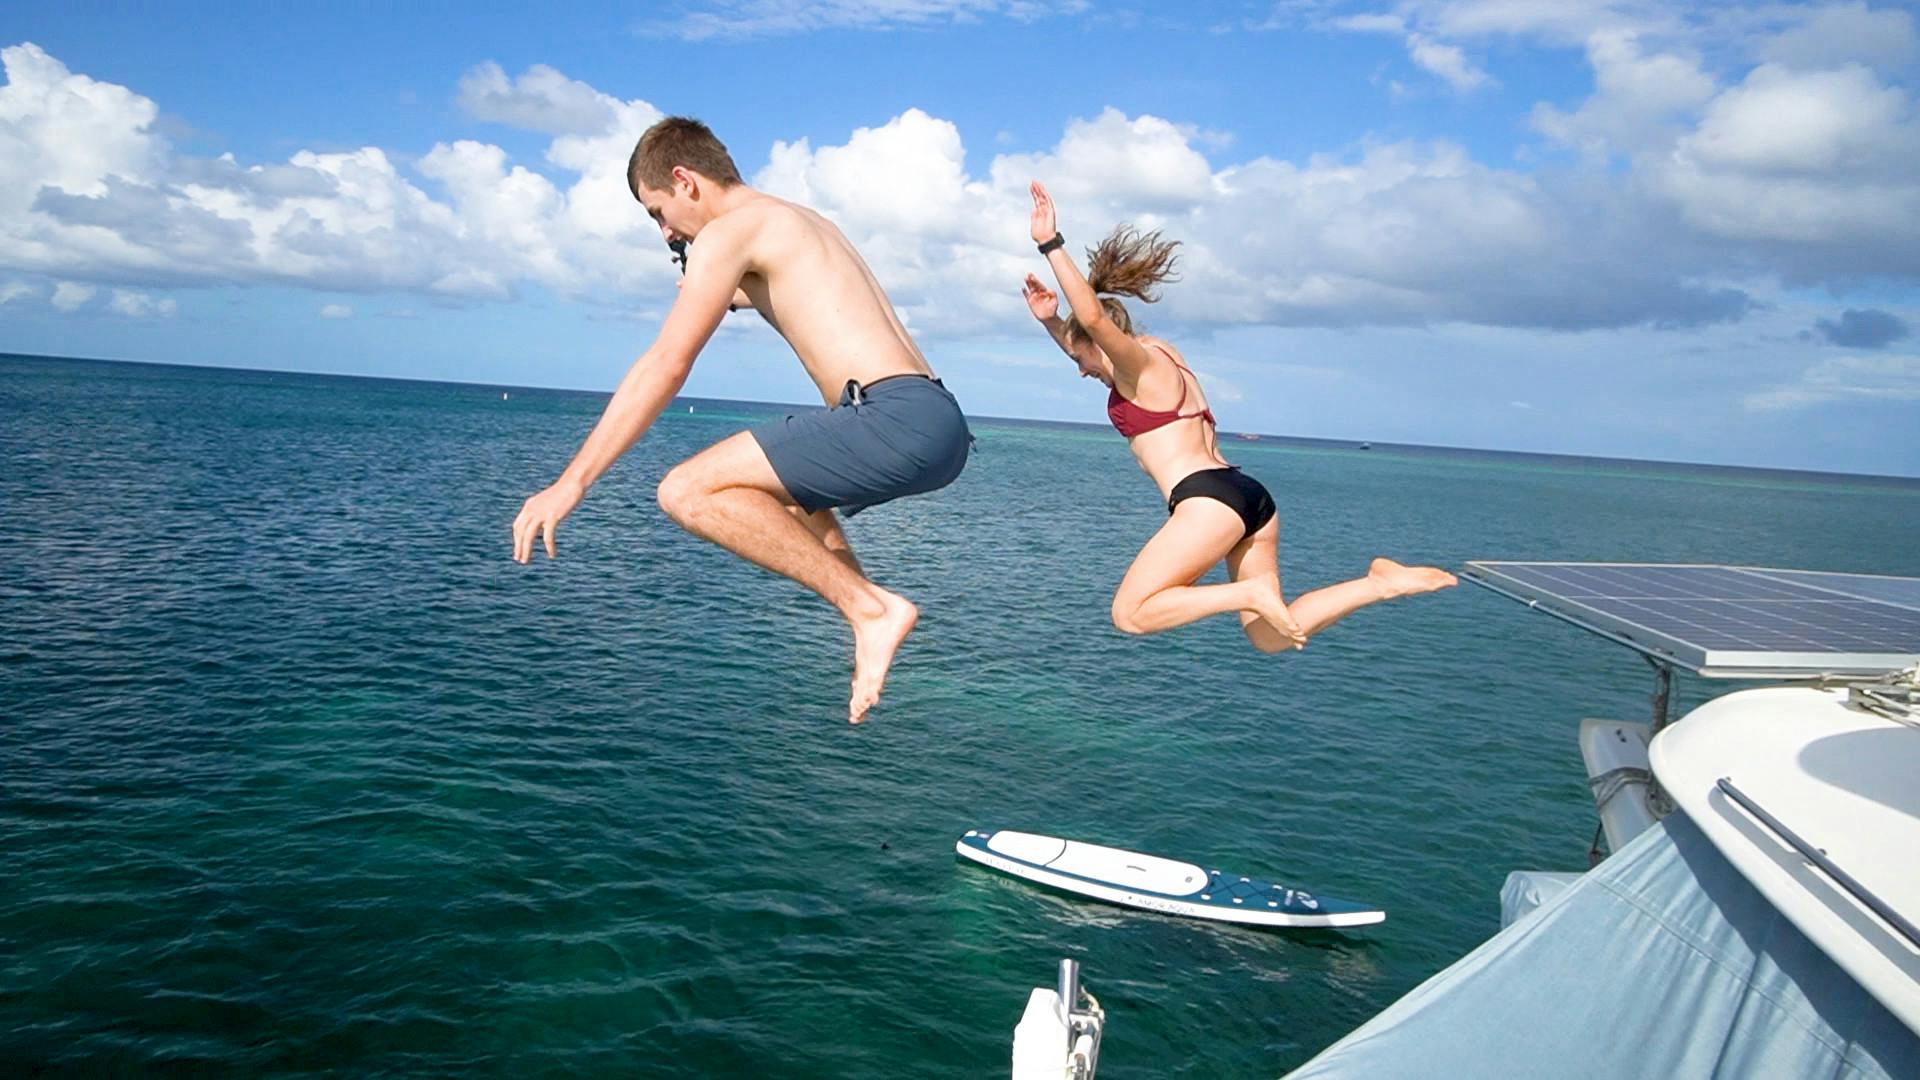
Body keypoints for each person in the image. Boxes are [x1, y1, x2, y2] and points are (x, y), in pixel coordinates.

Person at [511, 117, 972, 723]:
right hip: (935, 419)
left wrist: (571, 482)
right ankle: (865, 616)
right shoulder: (798, 221)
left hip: (892, 418)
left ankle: (870, 609)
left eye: (658, 212)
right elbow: (751, 293)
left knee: (687, 489)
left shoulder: (730, 233)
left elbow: (667, 363)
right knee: (775, 493)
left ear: (684, 180)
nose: (665, 231)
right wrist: (695, 267)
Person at [1020, 180, 1454, 651]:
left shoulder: (1136, 367)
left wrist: (1051, 245)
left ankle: (1247, 592)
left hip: (1207, 501)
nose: (1080, 370)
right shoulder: (1158, 355)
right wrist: (1052, 322)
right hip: (1248, 498)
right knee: (1272, 637)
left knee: (1131, 614)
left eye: (1079, 358)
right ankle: (1378, 584)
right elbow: (1092, 340)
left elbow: (1096, 327)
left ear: (1099, 345)